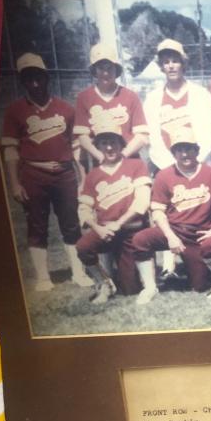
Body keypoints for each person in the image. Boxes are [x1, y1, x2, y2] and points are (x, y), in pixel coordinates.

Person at [1, 53, 92, 290]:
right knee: (37, 225)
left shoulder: (65, 108)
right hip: (33, 174)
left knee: (71, 223)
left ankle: (78, 272)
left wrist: (82, 178)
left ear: (46, 77)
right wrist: (14, 183)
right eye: (28, 78)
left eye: (38, 77)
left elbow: (75, 148)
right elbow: (10, 150)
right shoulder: (15, 111)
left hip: (64, 174)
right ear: (23, 81)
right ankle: (43, 277)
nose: (34, 83)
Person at [131, 127, 211, 304]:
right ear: (173, 153)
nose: (184, 154)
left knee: (200, 285)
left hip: (200, 234)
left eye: (188, 148)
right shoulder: (164, 175)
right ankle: (149, 287)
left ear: (197, 150)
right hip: (174, 229)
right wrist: (170, 236)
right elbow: (158, 211)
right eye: (179, 150)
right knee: (141, 239)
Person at [75, 125, 152, 303]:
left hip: (130, 231)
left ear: (120, 144)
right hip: (106, 232)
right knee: (83, 247)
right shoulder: (93, 175)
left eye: (113, 143)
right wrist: (97, 228)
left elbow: (142, 202)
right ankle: (104, 283)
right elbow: (84, 208)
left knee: (130, 290)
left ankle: (129, 280)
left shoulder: (136, 165)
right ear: (99, 147)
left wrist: (119, 223)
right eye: (104, 143)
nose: (109, 148)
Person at [142, 38, 211, 171]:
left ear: (183, 63)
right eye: (166, 62)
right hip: (165, 168)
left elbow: (209, 133)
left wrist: (195, 161)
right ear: (161, 67)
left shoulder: (201, 94)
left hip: (199, 165)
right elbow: (153, 138)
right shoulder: (152, 99)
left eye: (175, 61)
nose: (171, 66)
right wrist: (170, 166)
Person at [73, 43, 149, 164]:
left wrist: (122, 155)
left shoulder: (130, 96)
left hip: (128, 160)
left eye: (109, 68)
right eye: (101, 68)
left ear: (116, 69)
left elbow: (142, 135)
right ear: (94, 70)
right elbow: (82, 136)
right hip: (100, 163)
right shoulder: (84, 97)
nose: (105, 73)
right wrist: (100, 157)